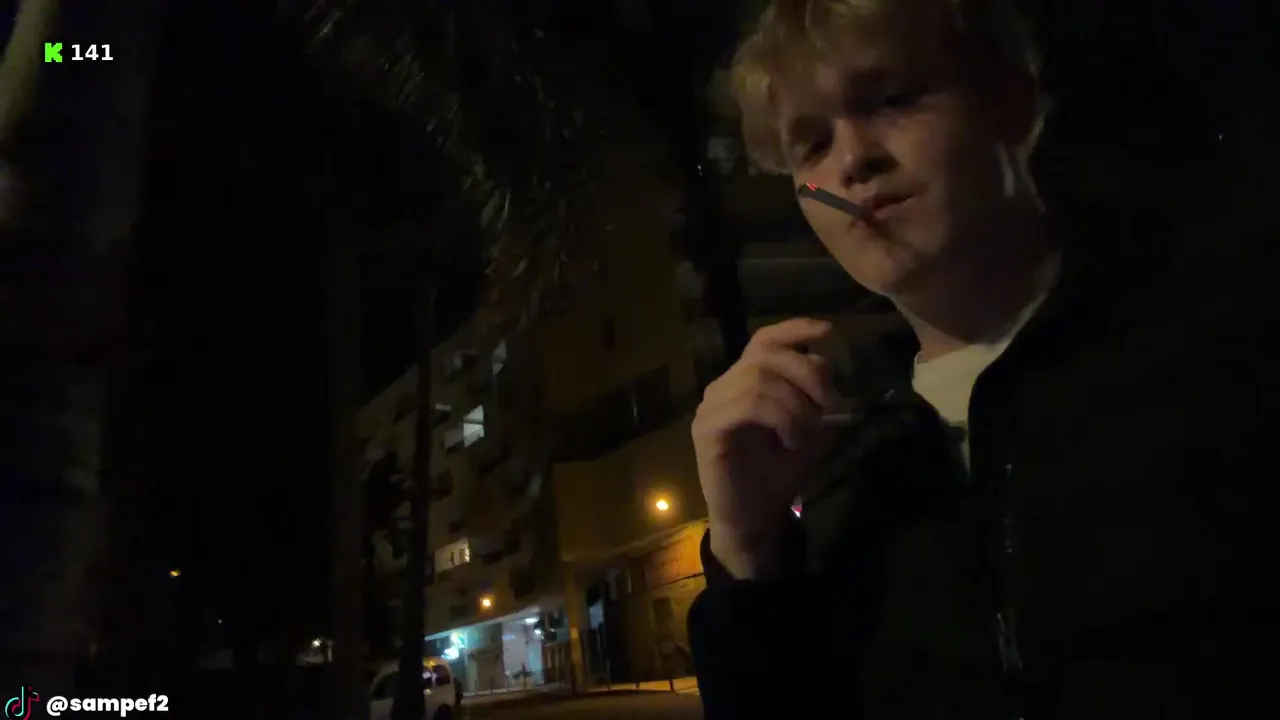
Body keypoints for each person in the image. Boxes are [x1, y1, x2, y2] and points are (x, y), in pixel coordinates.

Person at [687, 0, 1277, 717]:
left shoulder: (1224, 339)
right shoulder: (855, 472)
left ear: (1014, 103)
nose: (851, 161)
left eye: (892, 100)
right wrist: (747, 551)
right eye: (811, 146)